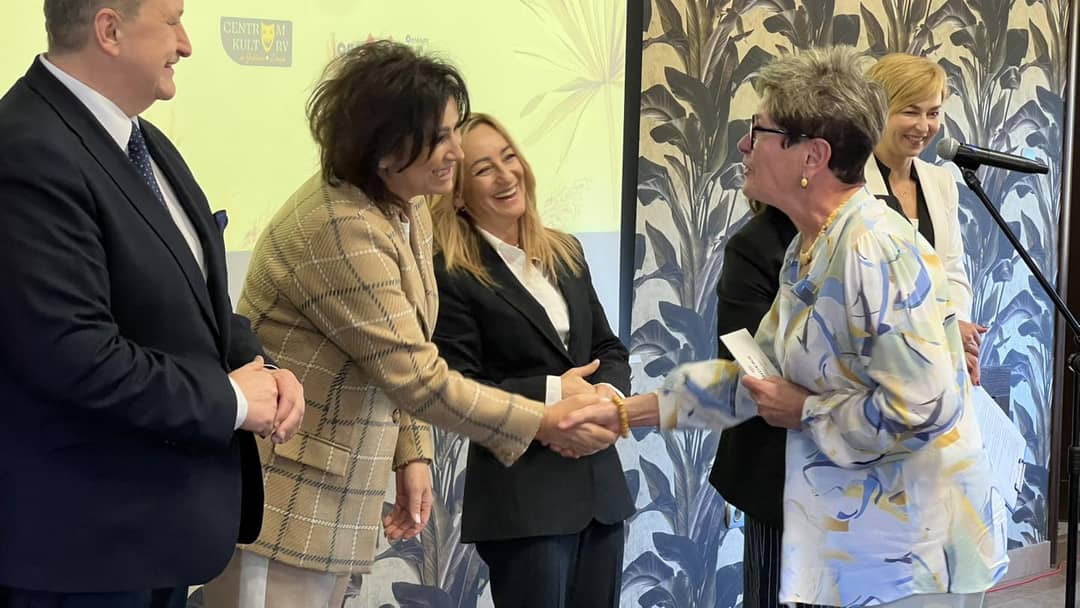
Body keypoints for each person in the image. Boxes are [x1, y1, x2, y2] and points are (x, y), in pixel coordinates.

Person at [579, 46, 1009, 607]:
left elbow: (925, 409)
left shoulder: (874, 248)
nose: (743, 145)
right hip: (853, 543)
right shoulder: (811, 248)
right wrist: (620, 413)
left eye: (759, 131)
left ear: (813, 155)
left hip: (908, 556)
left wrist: (806, 410)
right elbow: (755, 379)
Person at [200, 42, 618, 608]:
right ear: (385, 150)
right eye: (439, 138)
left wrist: (412, 452)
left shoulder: (406, 203)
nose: (456, 152)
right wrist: (545, 419)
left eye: (452, 132)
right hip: (285, 504)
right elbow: (417, 377)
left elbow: (409, 342)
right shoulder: (342, 226)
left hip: (335, 501)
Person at [0, 1, 305, 607]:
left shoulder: (144, 142)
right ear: (109, 30)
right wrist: (233, 400)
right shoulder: (27, 149)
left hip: (156, 536)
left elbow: (195, 300)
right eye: (171, 21)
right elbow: (74, 355)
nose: (186, 44)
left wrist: (262, 367)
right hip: (82, 553)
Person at [429, 113, 634, 608]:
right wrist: (554, 392)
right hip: (523, 501)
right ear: (458, 194)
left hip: (598, 491)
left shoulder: (566, 252)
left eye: (509, 158)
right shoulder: (449, 272)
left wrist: (603, 400)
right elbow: (455, 386)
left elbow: (608, 349)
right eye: (483, 169)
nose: (506, 175)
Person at [865, 52, 986, 386]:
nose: (924, 126)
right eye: (910, 111)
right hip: (875, 362)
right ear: (877, 110)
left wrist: (959, 337)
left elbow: (952, 272)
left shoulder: (941, 181)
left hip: (936, 364)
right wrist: (942, 332)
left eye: (933, 113)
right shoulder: (847, 182)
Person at [708, 200, 799, 608]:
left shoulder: (874, 233)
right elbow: (747, 372)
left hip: (867, 488)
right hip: (778, 479)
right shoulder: (756, 244)